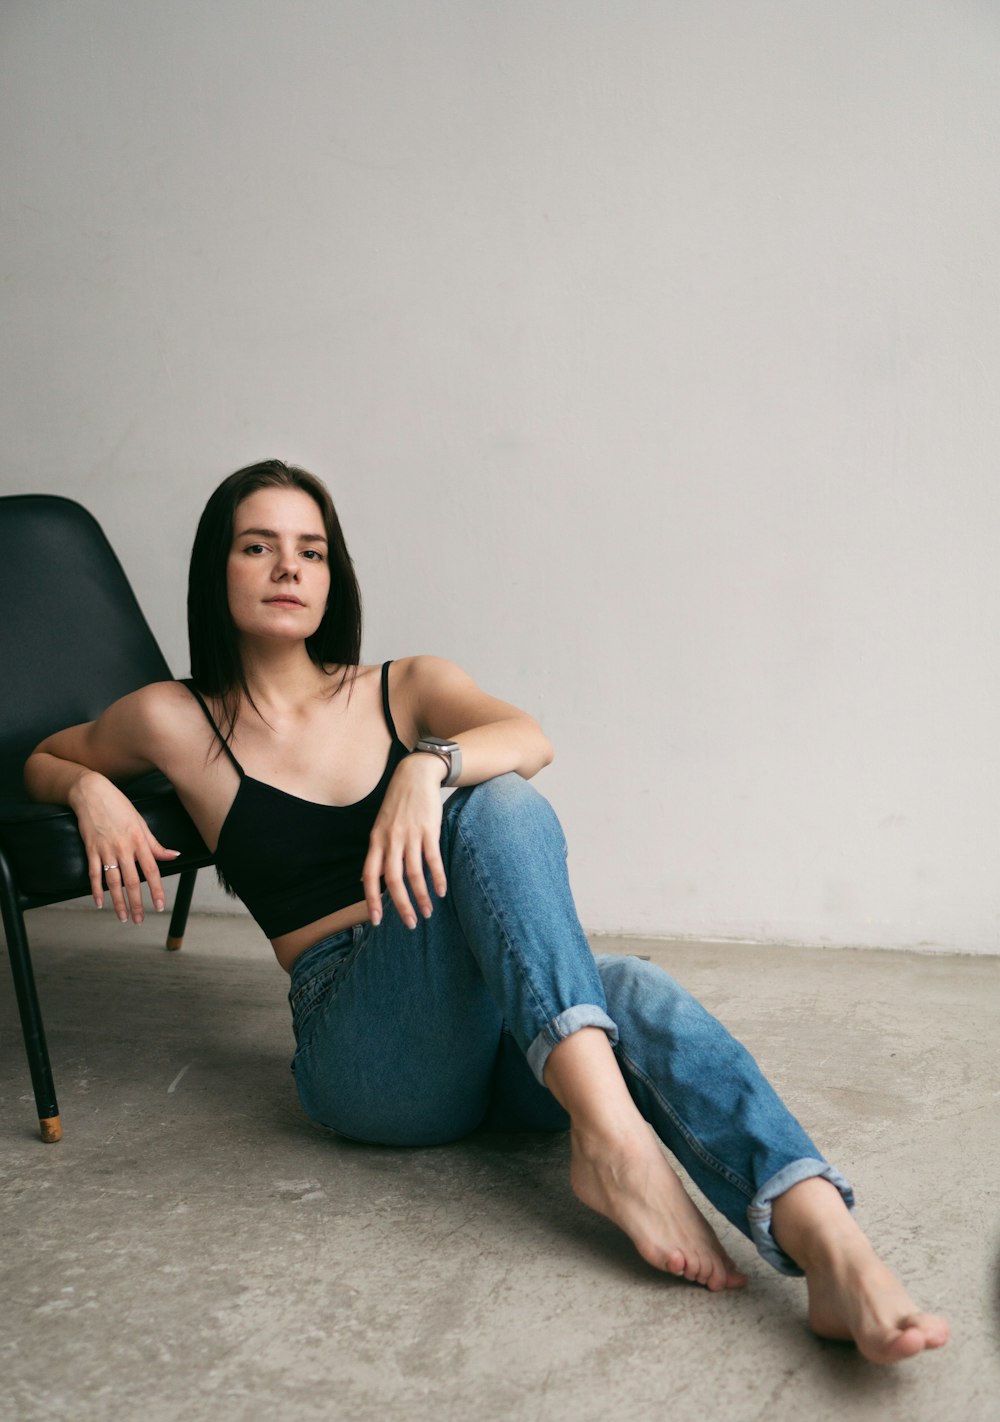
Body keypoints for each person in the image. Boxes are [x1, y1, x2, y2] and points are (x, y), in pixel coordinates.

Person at [25, 458, 949, 1365]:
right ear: (215, 569)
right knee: (521, 843)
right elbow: (38, 756)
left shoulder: (404, 685)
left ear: (332, 574)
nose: (286, 570)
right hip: (364, 1053)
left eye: (310, 551)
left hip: (500, 1039)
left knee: (607, 953)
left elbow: (528, 737)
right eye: (257, 547)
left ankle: (830, 1244)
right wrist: (88, 790)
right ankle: (616, 1140)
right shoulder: (173, 720)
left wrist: (427, 765)